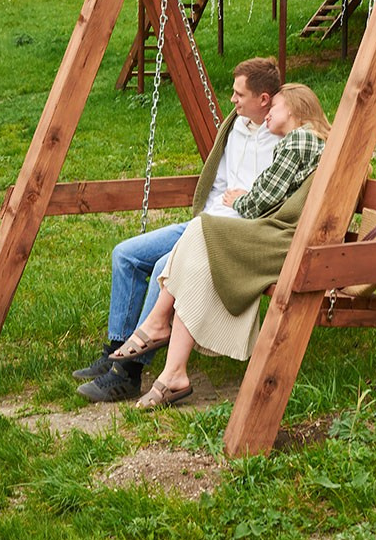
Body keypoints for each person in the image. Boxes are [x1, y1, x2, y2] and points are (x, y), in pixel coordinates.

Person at [109, 83, 331, 409]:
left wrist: (240, 199)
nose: (269, 114)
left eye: (276, 107)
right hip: (287, 236)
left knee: (201, 234)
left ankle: (158, 326)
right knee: (199, 256)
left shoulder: (299, 139)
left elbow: (261, 201)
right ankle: (173, 372)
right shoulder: (311, 142)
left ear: (296, 111)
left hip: (281, 239)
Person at [74, 57, 282, 402]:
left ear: (264, 99)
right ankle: (116, 348)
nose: (232, 100)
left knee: (162, 269)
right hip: (207, 220)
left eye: (239, 94)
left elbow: (271, 200)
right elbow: (219, 185)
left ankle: (129, 373)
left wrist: (241, 203)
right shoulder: (236, 127)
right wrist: (209, 213)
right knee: (125, 254)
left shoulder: (282, 139)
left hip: (234, 233)